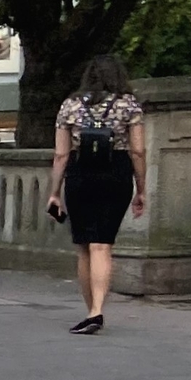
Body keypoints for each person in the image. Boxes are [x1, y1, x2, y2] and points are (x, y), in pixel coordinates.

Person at [47, 55, 147, 334]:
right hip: (116, 171)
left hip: (81, 174)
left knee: (83, 245)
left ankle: (91, 310)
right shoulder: (129, 105)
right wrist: (141, 188)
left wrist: (55, 192)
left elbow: (60, 154)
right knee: (103, 244)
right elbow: (138, 151)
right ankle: (97, 309)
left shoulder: (70, 105)